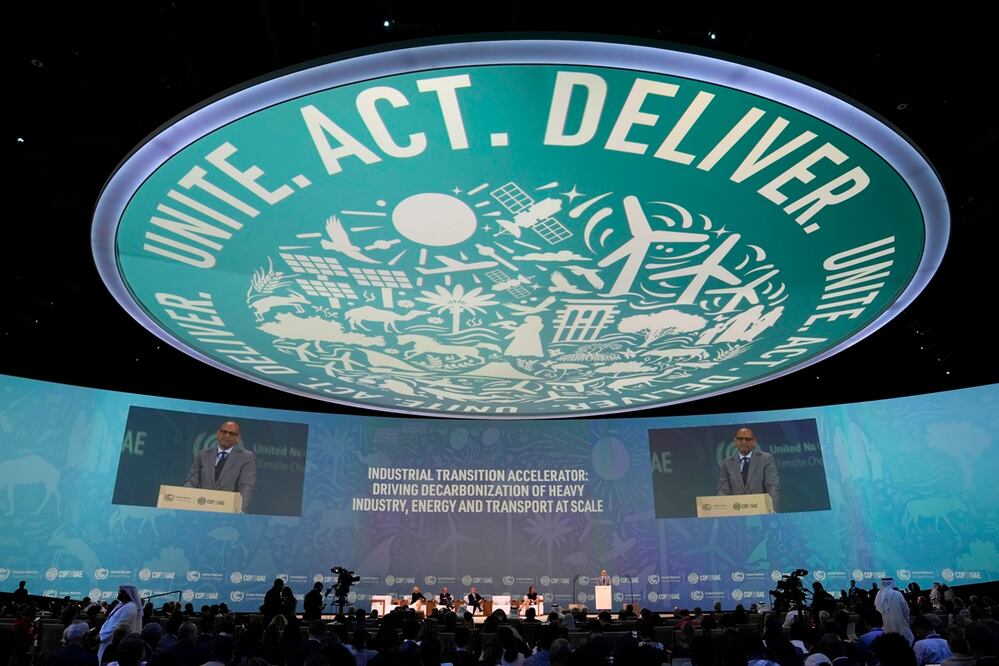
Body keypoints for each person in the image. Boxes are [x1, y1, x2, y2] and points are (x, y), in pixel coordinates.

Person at [183, 420, 256, 512]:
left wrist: (239, 510)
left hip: (228, 511)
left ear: (238, 438)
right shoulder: (203, 454)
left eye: (232, 433)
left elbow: (246, 486)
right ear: (218, 433)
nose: (227, 435)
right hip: (201, 509)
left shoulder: (246, 457)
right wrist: (185, 500)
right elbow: (191, 481)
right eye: (224, 432)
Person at [716, 427, 780, 511]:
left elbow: (772, 486)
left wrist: (772, 509)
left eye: (747, 439)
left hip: (761, 511)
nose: (743, 442)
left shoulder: (765, 459)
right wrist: (721, 509)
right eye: (740, 439)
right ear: (735, 441)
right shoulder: (727, 463)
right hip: (736, 512)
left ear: (753, 441)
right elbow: (723, 489)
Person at [875, 578, 914, 645]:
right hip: (898, 623)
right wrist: (906, 622)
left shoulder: (878, 595)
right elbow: (905, 610)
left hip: (883, 623)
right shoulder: (897, 594)